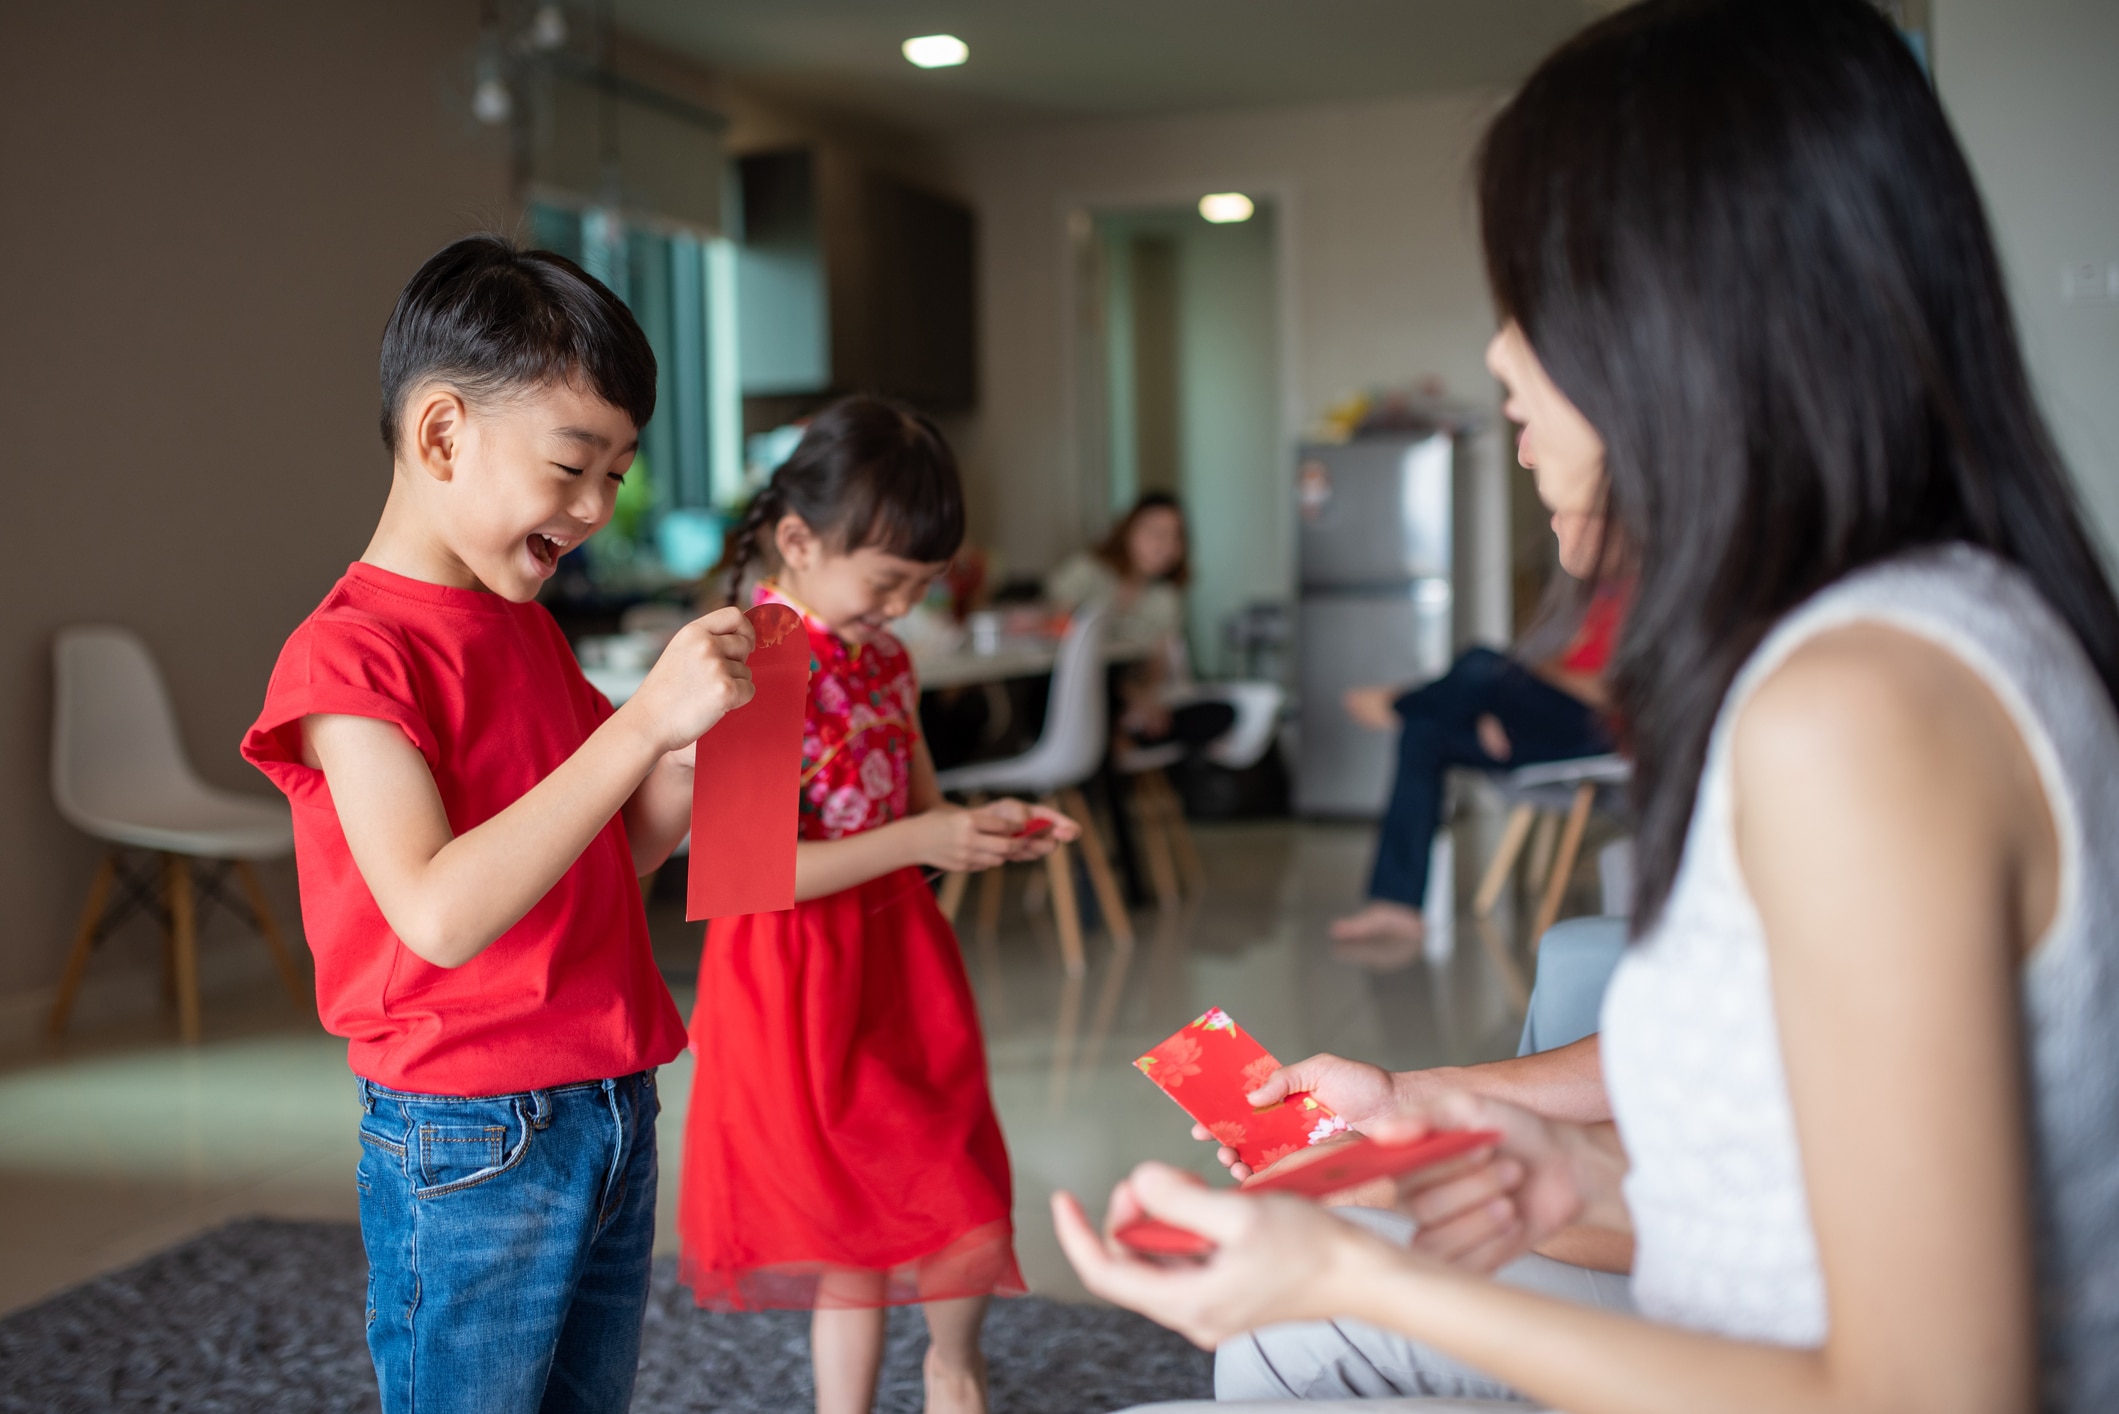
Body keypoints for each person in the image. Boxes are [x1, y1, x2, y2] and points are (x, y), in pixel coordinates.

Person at [1053, 3, 2119, 1412]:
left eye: (1532, 302)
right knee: (1303, 1301)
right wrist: (1454, 1108)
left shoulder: (1854, 711)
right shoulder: (1921, 618)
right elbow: (1781, 1042)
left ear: (1675, 316)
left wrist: (1359, 1277)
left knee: (1307, 1305)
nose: (1499, 362)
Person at [240, 236, 756, 1413]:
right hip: (472, 1129)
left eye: (617, 474)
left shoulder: (521, 626)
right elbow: (438, 911)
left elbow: (609, 857)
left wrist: (685, 754)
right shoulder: (347, 656)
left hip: (612, 1098)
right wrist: (635, 732)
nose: (594, 508)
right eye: (574, 465)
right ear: (440, 435)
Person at [677, 396, 1079, 1414]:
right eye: (888, 581)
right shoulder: (756, 659)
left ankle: (955, 1365)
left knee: (958, 1183)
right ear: (800, 541)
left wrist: (983, 827)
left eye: (921, 586)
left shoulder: (886, 657)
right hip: (795, 977)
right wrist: (919, 841)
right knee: (845, 1234)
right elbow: (745, 873)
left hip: (898, 956)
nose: (902, 607)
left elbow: (922, 801)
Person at [1330, 586, 1624, 953]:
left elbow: (1623, 690)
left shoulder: (1655, 589)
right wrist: (1494, 707)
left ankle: (1399, 703)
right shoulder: (1604, 596)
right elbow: (1551, 669)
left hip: (1601, 734)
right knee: (1423, 734)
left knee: (1482, 663)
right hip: (1554, 727)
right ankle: (1397, 905)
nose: (1556, 524)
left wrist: (1509, 688)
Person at [1046, 492, 1234, 750]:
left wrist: (1146, 700)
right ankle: (1124, 736)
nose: (1166, 545)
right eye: (1157, 533)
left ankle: (1129, 734)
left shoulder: (1165, 597)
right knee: (1101, 699)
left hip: (1129, 696)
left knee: (1221, 713)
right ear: (1128, 531)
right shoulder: (1087, 571)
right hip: (1076, 689)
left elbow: (1155, 663)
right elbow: (1058, 635)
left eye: (1176, 536)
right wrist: (1131, 697)